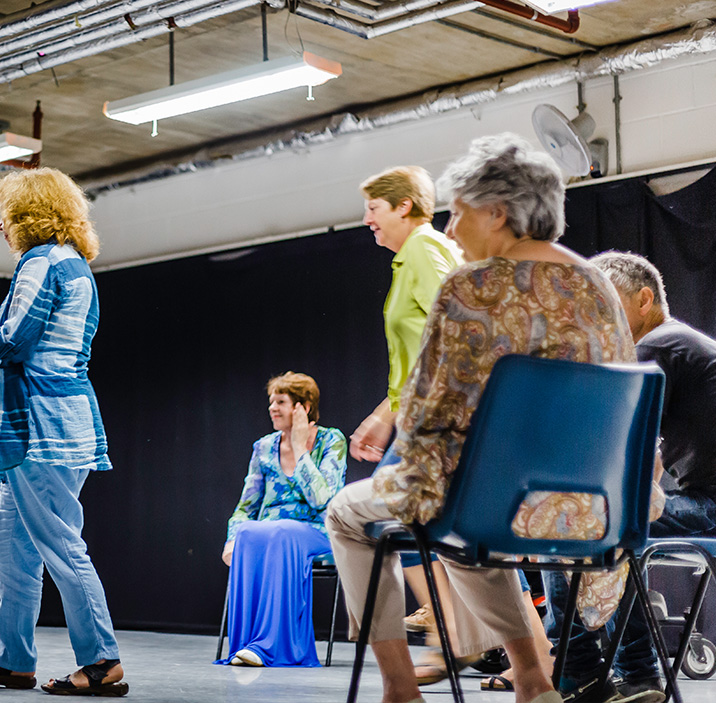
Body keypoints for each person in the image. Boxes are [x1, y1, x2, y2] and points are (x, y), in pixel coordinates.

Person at [326, 133, 646, 703]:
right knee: (469, 517)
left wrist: (416, 474)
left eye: (459, 212)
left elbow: (425, 418)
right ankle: (532, 679)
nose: (449, 230)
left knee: (353, 514)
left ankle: (400, 687)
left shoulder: (468, 289)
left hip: (497, 505)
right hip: (594, 511)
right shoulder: (599, 288)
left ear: (498, 213)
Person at [0, 167, 127, 697]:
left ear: (29, 215)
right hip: (58, 424)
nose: (2, 227)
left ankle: (101, 660)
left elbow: (15, 339)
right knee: (12, 545)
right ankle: (11, 660)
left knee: (58, 541)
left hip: (39, 428)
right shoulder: (74, 266)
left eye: (7, 216)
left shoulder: (41, 260)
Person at [542, 251, 716, 703]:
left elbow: (613, 444)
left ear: (644, 299)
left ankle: (582, 671)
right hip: (705, 501)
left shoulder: (659, 345)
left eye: (608, 302)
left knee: (566, 523)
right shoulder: (682, 346)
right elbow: (645, 453)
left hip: (710, 508)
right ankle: (633, 674)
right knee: (607, 522)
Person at [347, 165, 472, 683]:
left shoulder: (424, 249)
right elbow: (418, 352)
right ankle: (521, 659)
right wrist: (384, 414)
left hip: (438, 419)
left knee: (382, 519)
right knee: (433, 533)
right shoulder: (410, 258)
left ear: (404, 206)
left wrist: (399, 414)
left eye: (374, 208)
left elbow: (460, 332)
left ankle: (447, 633)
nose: (366, 219)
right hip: (419, 415)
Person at [218, 372, 347, 668]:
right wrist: (232, 538)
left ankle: (271, 648)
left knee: (283, 532)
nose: (272, 408)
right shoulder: (263, 447)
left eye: (281, 402)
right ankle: (246, 645)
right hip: (273, 530)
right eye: (271, 402)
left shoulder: (331, 440)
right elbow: (245, 507)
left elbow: (321, 498)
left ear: (302, 407)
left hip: (317, 531)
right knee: (250, 531)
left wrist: (301, 449)